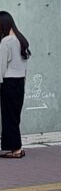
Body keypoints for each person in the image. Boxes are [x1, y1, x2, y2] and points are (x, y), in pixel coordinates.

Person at [0, 11, 30, 159]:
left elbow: (2, 66)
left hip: (8, 82)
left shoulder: (6, 41)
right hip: (19, 82)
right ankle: (17, 147)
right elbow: (25, 66)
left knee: (8, 116)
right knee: (15, 116)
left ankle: (16, 150)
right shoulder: (20, 40)